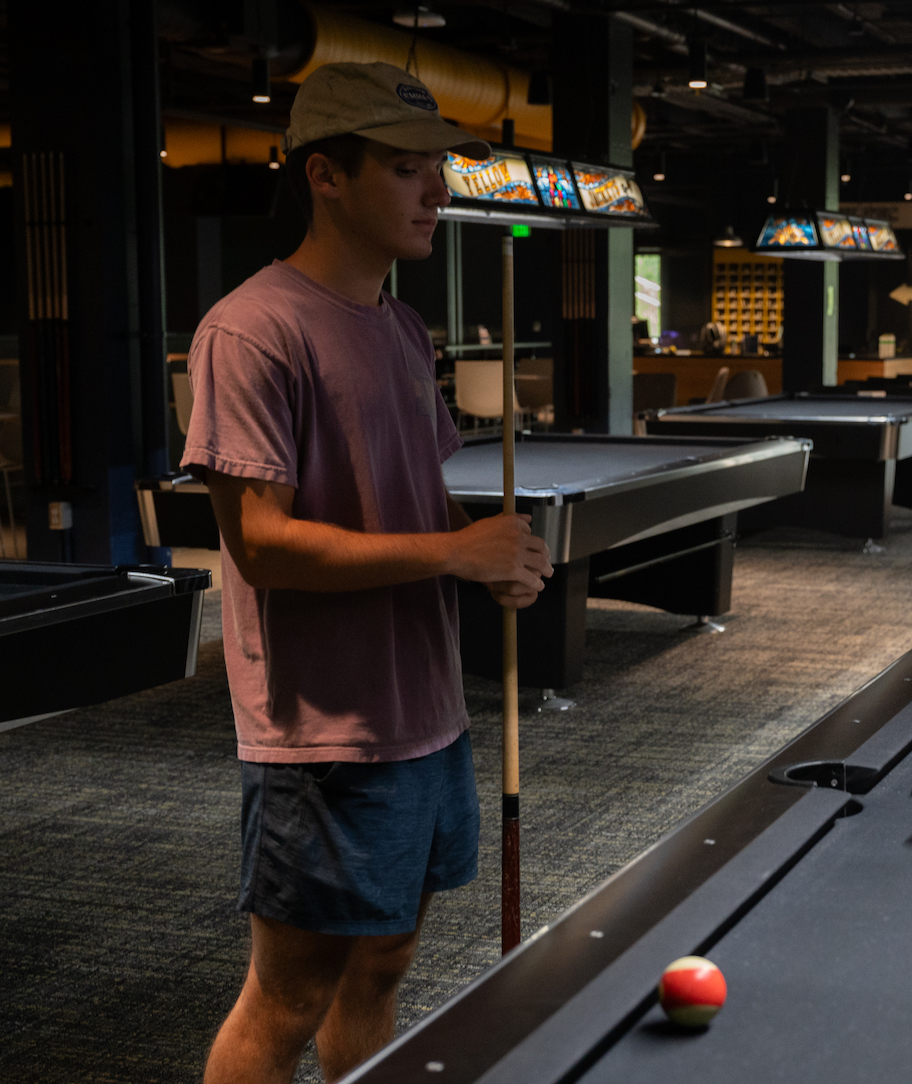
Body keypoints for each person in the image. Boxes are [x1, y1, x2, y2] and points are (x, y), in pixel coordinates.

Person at [186, 62, 553, 1084]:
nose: (437, 191)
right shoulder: (253, 329)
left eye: (437, 166)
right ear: (326, 176)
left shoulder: (399, 324)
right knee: (290, 996)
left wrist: (496, 553)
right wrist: (450, 552)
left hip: (426, 710)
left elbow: (419, 497)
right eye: (406, 168)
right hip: (324, 736)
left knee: (384, 964)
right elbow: (260, 541)